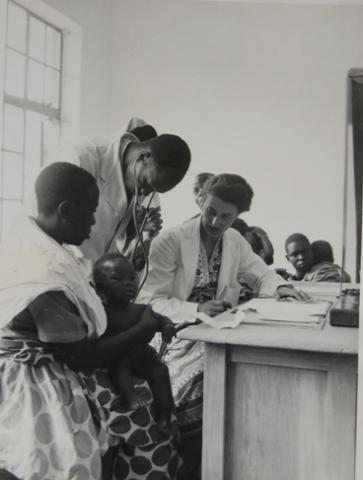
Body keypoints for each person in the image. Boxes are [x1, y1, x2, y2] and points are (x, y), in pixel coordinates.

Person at [0, 162, 180, 480]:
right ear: (66, 210)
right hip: (34, 372)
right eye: (91, 212)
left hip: (57, 353)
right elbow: (82, 357)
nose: (95, 220)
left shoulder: (42, 243)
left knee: (147, 389)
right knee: (135, 416)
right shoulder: (44, 270)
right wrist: (142, 329)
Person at [138, 173, 308, 479]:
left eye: (226, 216)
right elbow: (151, 301)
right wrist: (196, 308)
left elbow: (260, 273)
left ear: (238, 216)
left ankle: (226, 461)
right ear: (202, 200)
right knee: (210, 379)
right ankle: (193, 462)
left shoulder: (235, 240)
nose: (215, 221)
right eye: (210, 211)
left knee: (244, 370)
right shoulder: (171, 241)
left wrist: (281, 288)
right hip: (175, 336)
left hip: (214, 333)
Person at [74, 117, 191, 266]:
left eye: (153, 191)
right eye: (146, 184)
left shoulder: (140, 177)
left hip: (93, 277)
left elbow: (112, 244)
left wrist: (135, 231)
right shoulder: (84, 158)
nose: (145, 194)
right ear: (143, 157)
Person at [93, 252, 175, 432]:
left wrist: (167, 327)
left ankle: (165, 415)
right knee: (120, 365)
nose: (129, 283)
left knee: (161, 371)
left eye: (132, 277)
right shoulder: (100, 312)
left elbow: (162, 320)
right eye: (118, 278)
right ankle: (131, 398)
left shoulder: (140, 309)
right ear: (100, 289)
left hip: (142, 356)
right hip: (118, 358)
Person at [285, 233, 351, 282]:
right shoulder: (284, 281)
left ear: (312, 252)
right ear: (288, 258)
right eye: (295, 254)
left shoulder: (326, 273)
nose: (301, 257)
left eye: (305, 252)